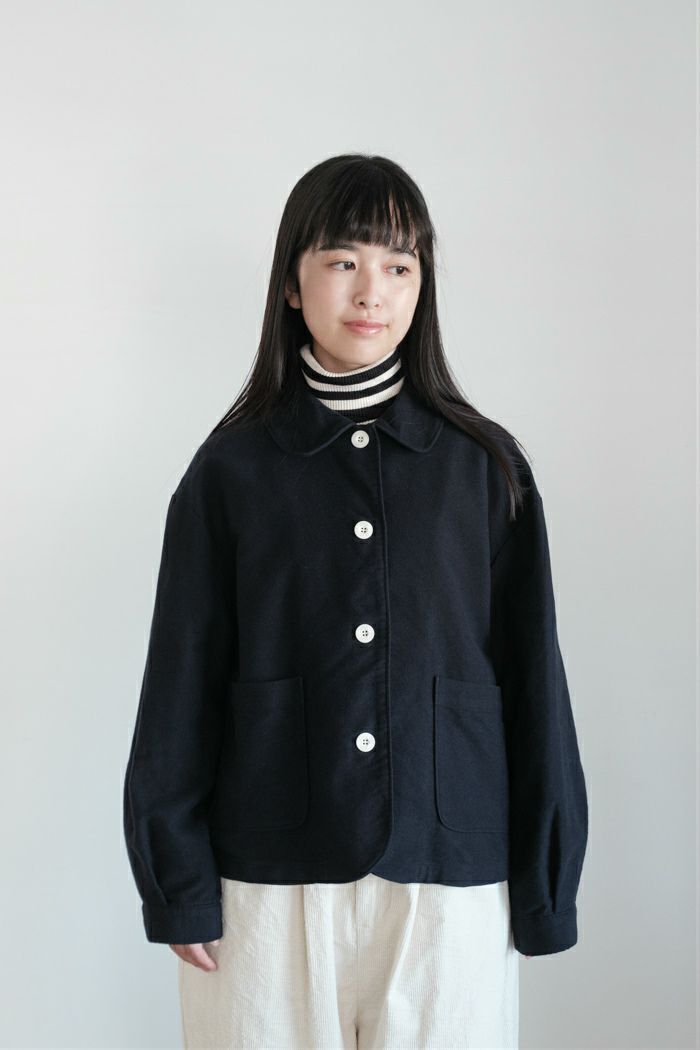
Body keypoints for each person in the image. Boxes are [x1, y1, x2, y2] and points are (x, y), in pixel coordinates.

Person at [123, 153, 588, 1049]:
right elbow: (180, 681)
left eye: (400, 265)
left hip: (450, 878)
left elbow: (535, 679)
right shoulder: (230, 471)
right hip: (264, 880)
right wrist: (175, 879)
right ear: (291, 283)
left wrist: (546, 884)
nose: (373, 290)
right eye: (343, 261)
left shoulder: (484, 469)